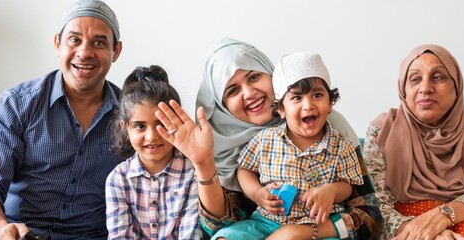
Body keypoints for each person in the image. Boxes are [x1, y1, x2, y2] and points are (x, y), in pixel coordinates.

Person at [156, 38, 383, 239]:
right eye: (232, 90)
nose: (249, 93)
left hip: (318, 226)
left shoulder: (330, 127)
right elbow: (219, 226)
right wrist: (204, 163)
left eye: (254, 76)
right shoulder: (221, 143)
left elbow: (369, 215)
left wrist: (297, 233)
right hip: (263, 225)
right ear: (220, 104)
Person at [0, 0, 123, 239]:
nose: (85, 52)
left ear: (115, 51)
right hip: (17, 233)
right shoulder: (16, 104)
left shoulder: (131, 116)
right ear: (57, 43)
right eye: (74, 40)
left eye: (99, 43)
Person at [209, 52, 364, 239]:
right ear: (281, 109)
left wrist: (331, 191)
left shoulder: (341, 146)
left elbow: (348, 186)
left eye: (317, 95)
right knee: (226, 237)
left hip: (318, 225)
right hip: (266, 222)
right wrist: (257, 193)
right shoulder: (265, 140)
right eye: (297, 98)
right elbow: (245, 170)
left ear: (330, 103)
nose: (308, 105)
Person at [363, 44, 464, 240]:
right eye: (415, 79)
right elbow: (373, 203)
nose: (425, 88)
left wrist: (441, 216)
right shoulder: (382, 131)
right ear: (403, 90)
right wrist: (421, 232)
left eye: (437, 77)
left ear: (457, 87)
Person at [105, 66, 202, 239]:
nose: (152, 136)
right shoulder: (117, 180)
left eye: (161, 124)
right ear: (125, 129)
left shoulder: (192, 173)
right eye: (140, 126)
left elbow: (191, 234)